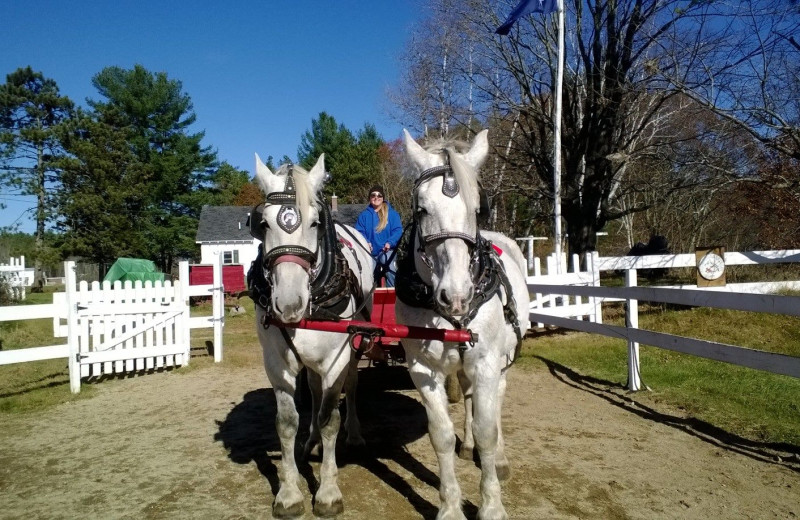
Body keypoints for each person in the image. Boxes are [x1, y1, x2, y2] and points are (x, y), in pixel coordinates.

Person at [355, 185, 403, 287]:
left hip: (387, 250)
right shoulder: (363, 216)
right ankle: (368, 297)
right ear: (369, 198)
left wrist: (390, 243)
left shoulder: (392, 214)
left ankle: (393, 293)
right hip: (370, 252)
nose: (376, 197)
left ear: (383, 198)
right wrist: (366, 242)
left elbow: (398, 231)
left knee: (390, 268)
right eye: (373, 195)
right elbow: (359, 232)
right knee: (366, 273)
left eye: (379, 195)